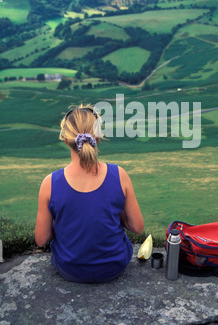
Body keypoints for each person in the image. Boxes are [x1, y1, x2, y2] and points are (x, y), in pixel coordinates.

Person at [35, 104, 144, 283]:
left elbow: (41, 240)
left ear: (65, 139)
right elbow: (137, 227)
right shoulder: (119, 175)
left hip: (69, 269)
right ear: (98, 138)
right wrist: (116, 212)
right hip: (114, 267)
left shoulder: (50, 184)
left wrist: (62, 218)